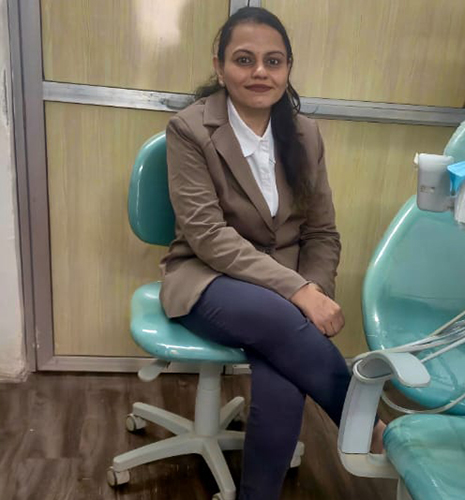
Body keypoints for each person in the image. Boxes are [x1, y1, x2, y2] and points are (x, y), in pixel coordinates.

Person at [160, 7, 385, 500]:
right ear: (220, 67)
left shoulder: (304, 133)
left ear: (287, 68)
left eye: (273, 61)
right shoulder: (190, 129)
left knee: (282, 371)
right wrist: (299, 292)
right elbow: (208, 236)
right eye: (244, 59)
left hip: (283, 297)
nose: (260, 72)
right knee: (284, 321)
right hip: (206, 276)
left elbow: (322, 233)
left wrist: (314, 289)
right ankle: (370, 428)